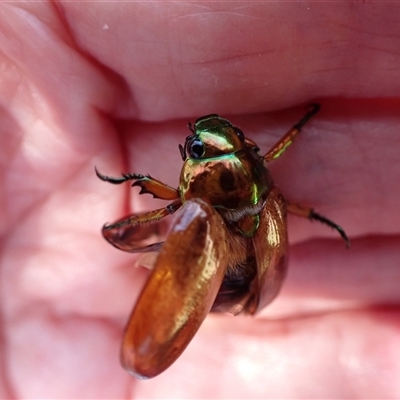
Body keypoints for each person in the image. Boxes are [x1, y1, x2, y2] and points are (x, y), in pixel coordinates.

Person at [1, 2, 399, 398]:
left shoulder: (210, 208)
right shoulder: (269, 198)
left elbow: (180, 206)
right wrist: (297, 132)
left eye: (196, 149)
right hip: (250, 287)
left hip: (232, 278)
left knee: (182, 215)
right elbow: (274, 166)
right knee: (188, 215)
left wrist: (139, 184)